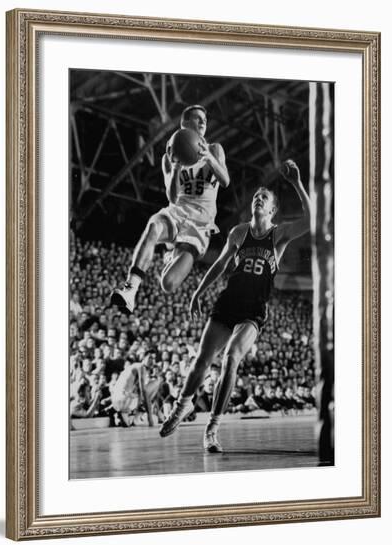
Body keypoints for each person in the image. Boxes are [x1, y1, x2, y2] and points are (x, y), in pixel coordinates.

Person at [159, 159, 311, 452]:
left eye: (263, 198)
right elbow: (219, 265)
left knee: (231, 358)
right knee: (202, 361)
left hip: (254, 310)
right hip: (228, 302)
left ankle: (212, 428)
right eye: (256, 196)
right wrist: (198, 292)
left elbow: (311, 219)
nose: (257, 198)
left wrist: (296, 183)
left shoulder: (279, 235)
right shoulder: (238, 232)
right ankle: (181, 407)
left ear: (272, 210)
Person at [110, 105, 230, 313]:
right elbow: (172, 197)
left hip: (200, 223)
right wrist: (176, 169)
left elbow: (225, 181)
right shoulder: (169, 156)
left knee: (169, 284)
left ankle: (170, 256)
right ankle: (131, 288)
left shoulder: (215, 149)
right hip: (178, 211)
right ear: (185, 124)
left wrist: (209, 158)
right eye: (197, 118)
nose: (203, 122)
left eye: (205, 119)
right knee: (153, 226)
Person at [110, 349, 161, 426]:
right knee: (156, 382)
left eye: (154, 359)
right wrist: (149, 417)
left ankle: (119, 413)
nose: (152, 361)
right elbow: (143, 391)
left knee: (127, 424)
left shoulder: (133, 367)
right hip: (123, 400)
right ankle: (136, 411)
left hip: (117, 400)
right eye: (150, 358)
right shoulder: (141, 367)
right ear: (143, 357)